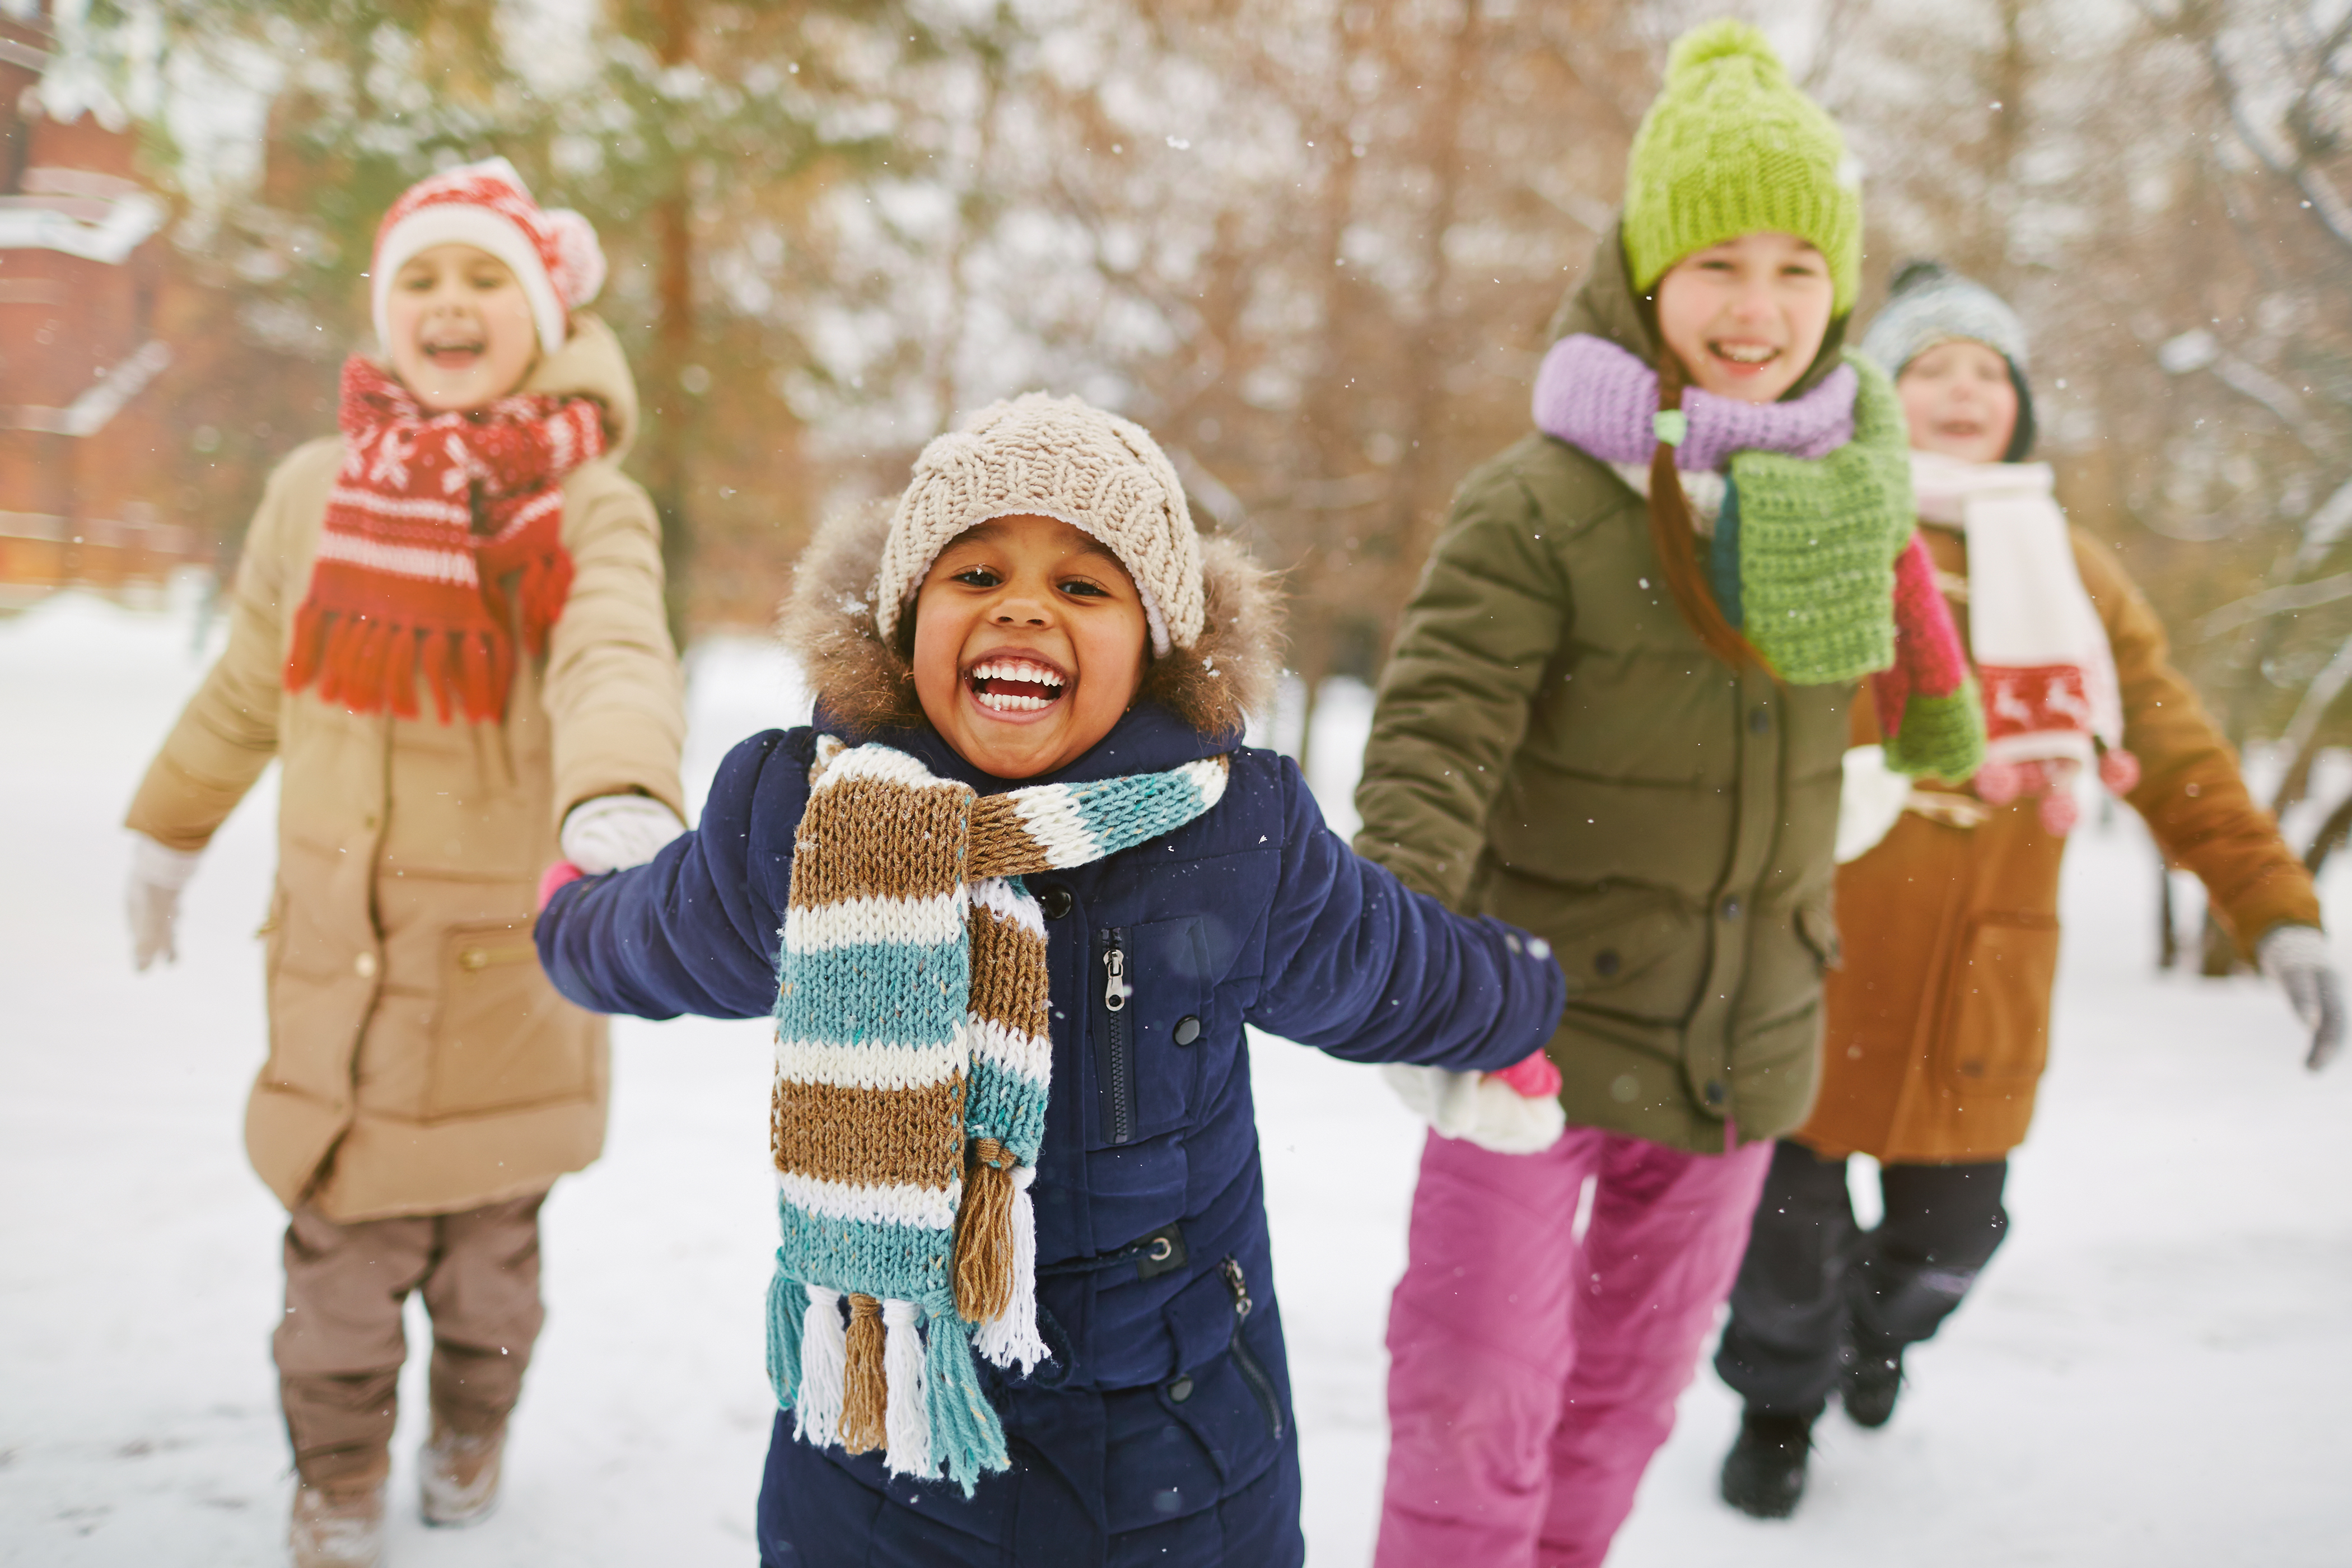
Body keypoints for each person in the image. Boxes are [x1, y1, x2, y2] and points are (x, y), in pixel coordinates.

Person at [529, 391, 1569, 1566]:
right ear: (904, 619)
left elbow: (1396, 965)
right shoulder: (805, 820)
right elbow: (661, 935)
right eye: (975, 574)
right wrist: (573, 911)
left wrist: (1516, 1005)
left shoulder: (1236, 839)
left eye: (1084, 586)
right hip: (886, 1464)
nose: (1023, 604)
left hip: (1182, 1465)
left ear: (1159, 643)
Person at [1356, 22, 1987, 1566]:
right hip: (1526, 1038)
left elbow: (1911, 693)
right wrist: (1407, 982)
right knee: (1476, 1394)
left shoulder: (1856, 489)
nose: (1758, 308)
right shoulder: (1542, 503)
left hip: (1741, 1049)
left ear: (1839, 282)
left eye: (1795, 266)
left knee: (1625, 1400)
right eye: (1715, 264)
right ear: (1646, 271)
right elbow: (1437, 742)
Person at [1710, 259, 2346, 1518]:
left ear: (2020, 408)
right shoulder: (1822, 522)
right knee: (1780, 1229)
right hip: (1815, 954)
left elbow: (2179, 757)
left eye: (1987, 372)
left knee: (1952, 1234)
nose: (1961, 391)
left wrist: (2278, 913)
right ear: (1881, 395)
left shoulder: (2078, 576)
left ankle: (1880, 1339)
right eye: (1931, 367)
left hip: (1978, 977)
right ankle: (1778, 1402)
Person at [122, 158, 687, 1567]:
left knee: (492, 1270)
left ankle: (473, 1424)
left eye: (485, 275)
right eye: (420, 278)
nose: (450, 303)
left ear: (545, 309)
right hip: (336, 969)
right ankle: (338, 1470)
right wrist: (168, 823)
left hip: (499, 974)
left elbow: (615, 646)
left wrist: (617, 791)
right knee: (336, 1280)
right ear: (382, 314)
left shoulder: (583, 501)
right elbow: (255, 678)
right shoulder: (316, 490)